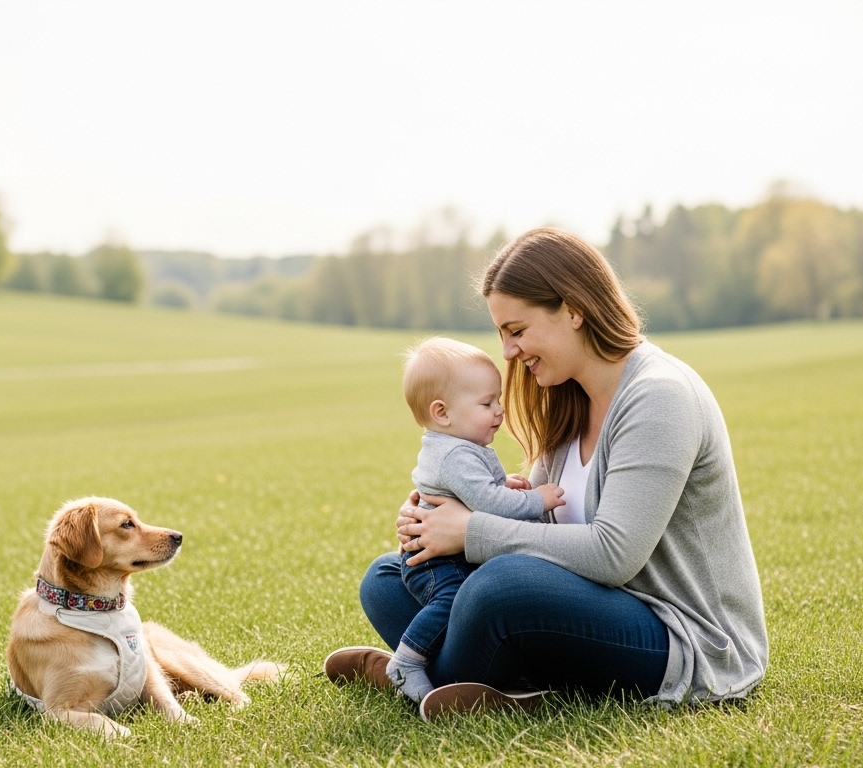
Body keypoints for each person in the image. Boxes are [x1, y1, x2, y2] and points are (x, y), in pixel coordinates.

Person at [324, 227, 768, 720]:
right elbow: (534, 525)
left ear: (573, 309)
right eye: (502, 335)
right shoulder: (568, 398)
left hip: (685, 639)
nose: (509, 352)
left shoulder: (659, 396)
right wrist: (435, 518)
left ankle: (424, 676)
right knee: (389, 577)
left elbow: (613, 555)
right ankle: (459, 682)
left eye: (517, 330)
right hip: (587, 607)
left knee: (502, 587)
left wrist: (468, 531)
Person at [387, 337, 567, 702]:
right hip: (439, 560)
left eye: (497, 399)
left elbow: (482, 491)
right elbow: (489, 504)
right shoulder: (455, 455)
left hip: (450, 552)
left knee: (471, 598)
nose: (499, 411)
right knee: (451, 599)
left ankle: (441, 673)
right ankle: (406, 663)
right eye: (487, 403)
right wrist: (536, 498)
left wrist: (504, 484)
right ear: (442, 413)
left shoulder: (458, 446)